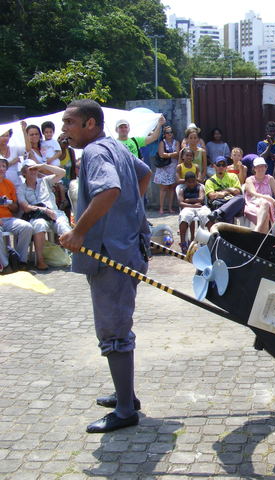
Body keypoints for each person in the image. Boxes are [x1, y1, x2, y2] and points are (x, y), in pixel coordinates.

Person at [59, 99, 152, 434]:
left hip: (111, 256)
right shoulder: (113, 146)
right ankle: (124, 394)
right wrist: (129, 216)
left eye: (70, 122)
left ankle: (126, 411)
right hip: (125, 248)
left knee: (113, 330)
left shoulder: (97, 152)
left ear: (90, 124)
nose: (64, 129)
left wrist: (79, 231)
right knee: (116, 325)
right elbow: (145, 174)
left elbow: (109, 189)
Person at [17, 161, 72, 270]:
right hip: (38, 215)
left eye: (35, 168)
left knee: (64, 226)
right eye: (30, 169)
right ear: (24, 173)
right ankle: (40, 260)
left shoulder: (45, 181)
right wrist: (45, 210)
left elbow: (62, 172)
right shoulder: (21, 188)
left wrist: (43, 166)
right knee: (39, 225)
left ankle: (74, 255)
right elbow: (25, 207)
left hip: (55, 213)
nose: (33, 171)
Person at [0, 157, 33, 269]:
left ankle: (20, 261)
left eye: (3, 166)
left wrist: (8, 204)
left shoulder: (9, 184)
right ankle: (6, 265)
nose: (1, 169)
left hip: (8, 219)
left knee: (26, 227)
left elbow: (15, 209)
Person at [244, 157, 275, 233]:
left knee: (266, 212)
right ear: (254, 168)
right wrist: (268, 198)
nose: (260, 168)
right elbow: (253, 193)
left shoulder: (270, 179)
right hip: (253, 204)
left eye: (262, 166)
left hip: (267, 207)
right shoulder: (249, 179)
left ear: (266, 167)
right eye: (258, 166)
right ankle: (260, 233)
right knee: (265, 203)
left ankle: (259, 234)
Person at [204, 156, 244, 224]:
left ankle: (219, 212)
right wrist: (230, 190)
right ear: (214, 166)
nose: (221, 167)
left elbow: (237, 192)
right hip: (220, 204)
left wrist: (224, 191)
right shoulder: (209, 181)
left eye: (223, 165)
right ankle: (220, 212)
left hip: (232, 203)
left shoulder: (233, 176)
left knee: (241, 198)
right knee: (228, 215)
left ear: (226, 167)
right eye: (219, 165)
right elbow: (212, 196)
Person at [177, 171, 210, 253]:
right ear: (185, 182)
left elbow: (201, 199)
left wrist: (188, 200)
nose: (191, 184)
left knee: (208, 215)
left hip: (200, 207)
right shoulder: (182, 189)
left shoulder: (200, 187)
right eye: (189, 182)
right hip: (188, 208)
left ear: (196, 180)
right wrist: (192, 205)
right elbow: (180, 203)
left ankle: (212, 240)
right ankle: (183, 242)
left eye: (193, 181)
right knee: (184, 217)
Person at [154, 125, 179, 214]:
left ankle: (170, 207)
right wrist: (172, 154)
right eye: (167, 133)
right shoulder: (162, 142)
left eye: (171, 132)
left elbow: (178, 154)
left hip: (173, 167)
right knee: (163, 188)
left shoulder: (176, 142)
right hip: (163, 167)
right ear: (164, 134)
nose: (169, 134)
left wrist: (167, 154)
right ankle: (161, 208)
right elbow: (161, 154)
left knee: (172, 188)